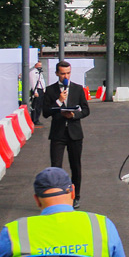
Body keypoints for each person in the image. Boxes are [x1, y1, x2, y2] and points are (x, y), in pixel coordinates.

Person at [42, 61, 90, 207]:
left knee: (75, 166)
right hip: (58, 133)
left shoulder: (78, 89)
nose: (65, 76)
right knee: (56, 167)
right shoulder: (50, 90)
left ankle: (76, 197)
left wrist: (74, 115)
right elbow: (45, 113)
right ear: (57, 73)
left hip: (75, 133)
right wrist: (59, 101)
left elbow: (86, 110)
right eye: (62, 73)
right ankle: (56, 197)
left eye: (68, 73)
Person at [27, 61, 45, 127]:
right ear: (35, 65)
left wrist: (44, 90)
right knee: (35, 106)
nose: (40, 66)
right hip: (36, 90)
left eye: (41, 65)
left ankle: (37, 119)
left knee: (39, 106)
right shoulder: (33, 72)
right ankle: (34, 119)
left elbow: (42, 81)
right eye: (39, 65)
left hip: (41, 90)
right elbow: (33, 83)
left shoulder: (39, 72)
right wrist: (35, 92)